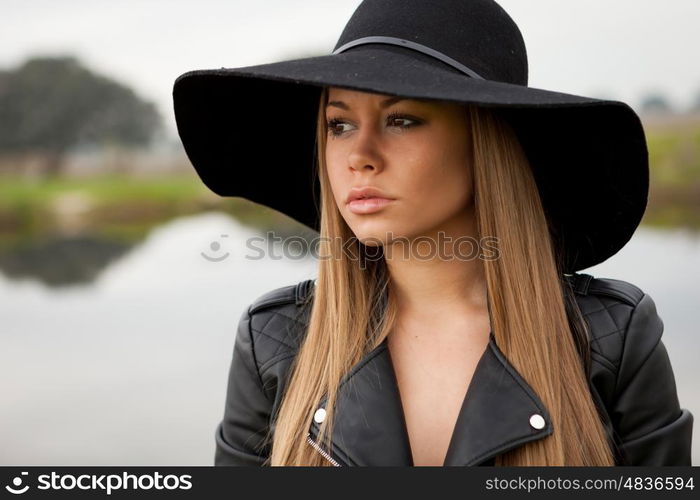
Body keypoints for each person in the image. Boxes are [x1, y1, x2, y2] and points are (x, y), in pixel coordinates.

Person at [173, 0, 694, 466]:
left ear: (484, 142)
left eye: (401, 120)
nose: (359, 156)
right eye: (339, 124)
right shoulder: (275, 343)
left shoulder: (610, 339)